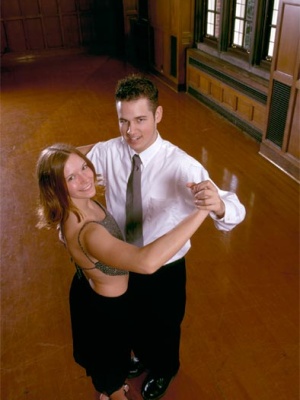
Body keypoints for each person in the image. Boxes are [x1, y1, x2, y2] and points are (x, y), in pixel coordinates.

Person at [81, 74, 246, 400]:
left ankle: (164, 367)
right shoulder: (109, 151)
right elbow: (67, 163)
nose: (131, 132)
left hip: (165, 267)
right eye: (123, 121)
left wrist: (219, 207)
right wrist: (76, 174)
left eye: (140, 119)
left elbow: (234, 207)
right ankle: (142, 356)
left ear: (158, 115)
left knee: (164, 326)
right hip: (121, 258)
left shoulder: (181, 164)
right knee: (131, 318)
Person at [36, 143, 210, 400]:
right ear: (56, 187)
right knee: (113, 368)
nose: (85, 178)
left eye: (84, 166)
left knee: (118, 357)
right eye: (71, 177)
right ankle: (115, 394)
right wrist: (202, 211)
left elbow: (68, 161)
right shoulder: (90, 233)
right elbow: (146, 262)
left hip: (91, 288)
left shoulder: (74, 204)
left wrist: (118, 141)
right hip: (108, 311)